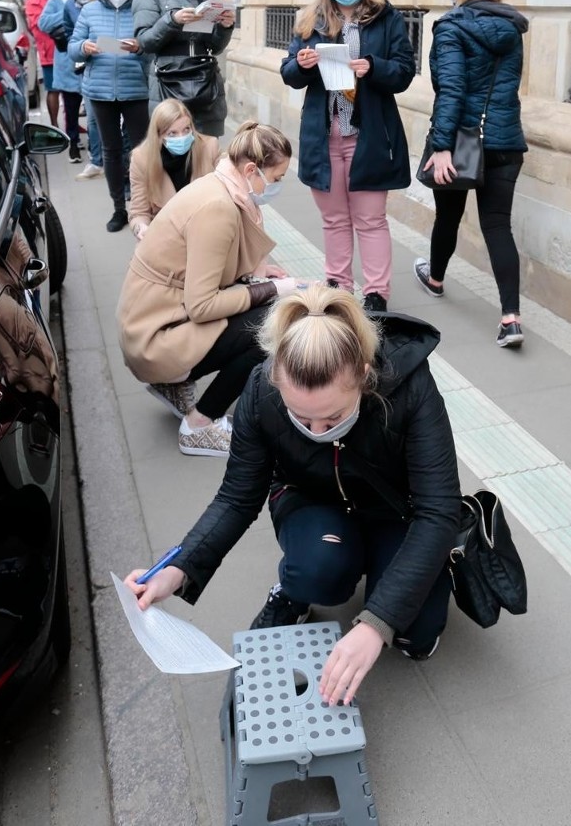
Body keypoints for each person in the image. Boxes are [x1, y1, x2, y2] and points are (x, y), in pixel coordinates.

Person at [123, 285, 462, 697]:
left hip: (396, 508)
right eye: (300, 416)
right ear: (276, 379)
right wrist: (179, 568)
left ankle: (382, 570)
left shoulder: (410, 385)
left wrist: (375, 624)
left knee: (413, 632)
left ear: (365, 373)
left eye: (334, 416)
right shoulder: (260, 389)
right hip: (311, 497)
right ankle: (295, 590)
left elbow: (438, 510)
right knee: (318, 570)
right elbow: (237, 497)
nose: (317, 432)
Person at [117, 121, 297, 457]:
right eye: (277, 177)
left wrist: (260, 277)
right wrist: (272, 289)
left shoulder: (219, 185)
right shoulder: (219, 207)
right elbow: (201, 305)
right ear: (251, 169)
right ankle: (200, 424)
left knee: (267, 310)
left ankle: (171, 384)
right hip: (155, 337)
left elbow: (204, 270)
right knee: (273, 326)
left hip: (149, 324)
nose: (278, 185)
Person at [281, 0, 415, 315]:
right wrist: (303, 63)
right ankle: (339, 287)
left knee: (370, 219)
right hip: (324, 138)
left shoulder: (386, 18)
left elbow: (404, 71)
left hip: (368, 135)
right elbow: (288, 73)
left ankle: (376, 294)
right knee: (335, 219)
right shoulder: (311, 19)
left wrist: (372, 67)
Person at [413, 0, 528, 349]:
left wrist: (441, 147)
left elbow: (452, 91)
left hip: (462, 142)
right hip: (506, 142)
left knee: (448, 213)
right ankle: (510, 319)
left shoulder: (452, 27)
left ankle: (435, 279)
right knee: (498, 226)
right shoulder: (512, 28)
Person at [68, 0, 149, 232]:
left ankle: (143, 205)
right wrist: (84, 47)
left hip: (135, 89)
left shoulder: (140, 10)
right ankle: (118, 209)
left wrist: (139, 48)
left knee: (141, 152)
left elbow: (151, 47)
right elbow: (72, 47)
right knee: (111, 151)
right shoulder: (89, 11)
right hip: (100, 91)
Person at [132, 0, 235, 136]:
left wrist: (225, 27)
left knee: (207, 156)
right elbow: (145, 42)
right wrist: (172, 20)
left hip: (204, 84)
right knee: (175, 156)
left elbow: (214, 48)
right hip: (169, 84)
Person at [127, 98, 220, 240]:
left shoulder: (210, 147)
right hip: (166, 235)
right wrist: (141, 228)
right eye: (172, 133)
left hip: (205, 230)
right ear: (158, 135)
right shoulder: (142, 159)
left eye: (186, 129)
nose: (181, 137)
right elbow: (139, 212)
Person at [39, 0, 97, 162]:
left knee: (93, 112)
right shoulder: (59, 1)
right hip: (66, 61)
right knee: (71, 109)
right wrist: (67, 11)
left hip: (93, 61)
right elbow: (43, 24)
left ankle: (94, 148)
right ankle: (73, 143)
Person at [24, 0, 58, 129]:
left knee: (70, 92)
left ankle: (71, 124)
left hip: (64, 51)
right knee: (53, 89)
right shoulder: (32, 1)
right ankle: (54, 124)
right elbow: (39, 25)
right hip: (47, 54)